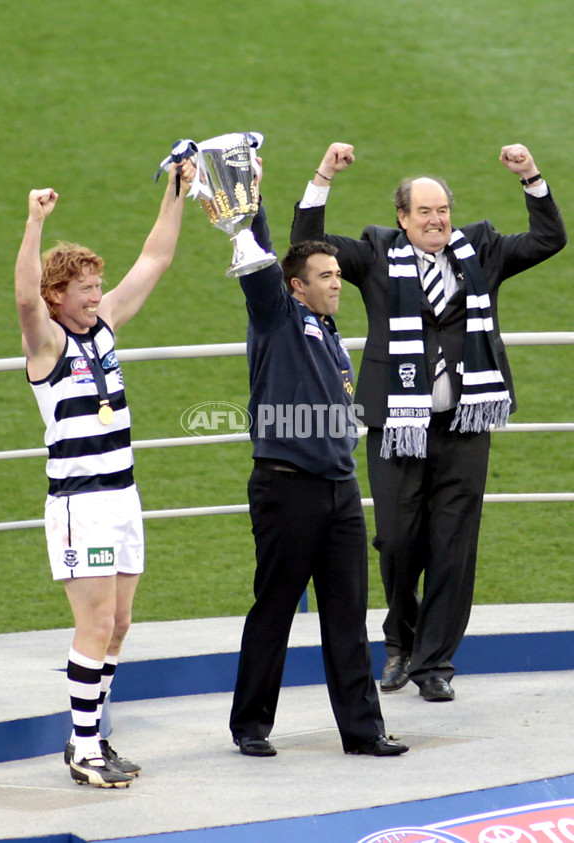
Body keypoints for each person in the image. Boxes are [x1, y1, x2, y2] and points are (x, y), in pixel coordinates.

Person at [291, 143, 566, 702]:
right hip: (396, 424)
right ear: (402, 218)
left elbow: (549, 239)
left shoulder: (481, 249)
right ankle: (401, 639)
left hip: (466, 424)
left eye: (442, 210)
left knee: (453, 545)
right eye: (424, 212)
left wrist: (530, 176)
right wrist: (323, 176)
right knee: (395, 540)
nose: (437, 220)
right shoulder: (372, 253)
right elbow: (304, 246)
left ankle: (434, 662)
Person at [14, 158, 194, 786]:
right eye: (86, 287)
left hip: (123, 498)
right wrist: (36, 222)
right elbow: (20, 297)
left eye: (97, 285)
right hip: (80, 505)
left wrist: (176, 191)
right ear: (56, 295)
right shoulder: (48, 345)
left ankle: (91, 737)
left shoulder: (104, 329)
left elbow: (155, 260)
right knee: (92, 623)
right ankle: (85, 748)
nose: (97, 293)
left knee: (118, 623)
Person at [228, 171, 408, 759]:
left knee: (348, 616)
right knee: (275, 609)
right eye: (326, 276)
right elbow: (257, 265)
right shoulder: (276, 318)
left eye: (337, 274)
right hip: (287, 490)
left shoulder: (329, 331)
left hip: (340, 492)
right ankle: (250, 726)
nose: (338, 283)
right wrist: (251, 199)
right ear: (296, 287)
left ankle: (363, 731)